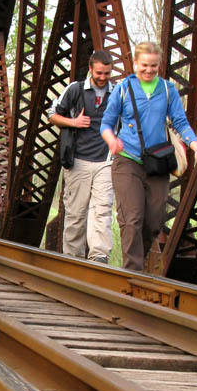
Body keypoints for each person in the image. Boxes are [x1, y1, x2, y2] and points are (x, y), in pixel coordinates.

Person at [101, 41, 197, 271]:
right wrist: (112, 141)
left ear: (159, 66)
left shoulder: (167, 90)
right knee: (132, 219)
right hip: (127, 160)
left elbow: (180, 122)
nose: (148, 71)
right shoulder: (123, 89)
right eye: (144, 66)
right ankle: (132, 272)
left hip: (157, 163)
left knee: (154, 222)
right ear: (135, 63)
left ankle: (135, 262)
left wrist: (196, 148)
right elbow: (106, 124)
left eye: (154, 67)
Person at [48, 50, 115, 263]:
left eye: (107, 73)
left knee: (102, 211)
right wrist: (73, 122)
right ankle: (72, 260)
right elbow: (52, 115)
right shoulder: (75, 90)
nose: (103, 77)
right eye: (99, 73)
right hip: (78, 160)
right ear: (90, 69)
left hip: (105, 161)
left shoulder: (118, 93)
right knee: (76, 215)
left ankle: (98, 258)